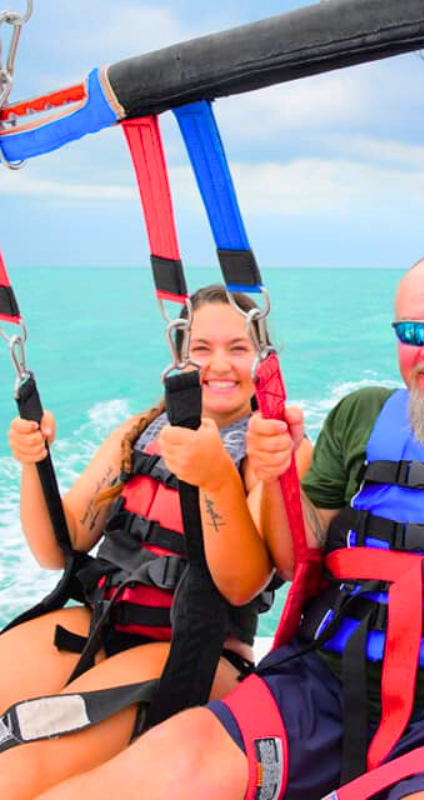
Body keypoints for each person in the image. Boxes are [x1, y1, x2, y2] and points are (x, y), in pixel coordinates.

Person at [37, 252, 424, 800]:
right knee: (179, 754)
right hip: (321, 684)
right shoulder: (361, 414)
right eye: (410, 333)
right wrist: (274, 480)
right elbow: (298, 560)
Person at [0, 284, 311, 800]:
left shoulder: (273, 452)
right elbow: (61, 545)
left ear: (263, 358)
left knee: (23, 762)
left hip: (197, 650)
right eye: (202, 350)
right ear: (179, 357)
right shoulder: (141, 431)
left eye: (238, 348)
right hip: (103, 623)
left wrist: (215, 479)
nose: (219, 365)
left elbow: (241, 585)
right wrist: (34, 464)